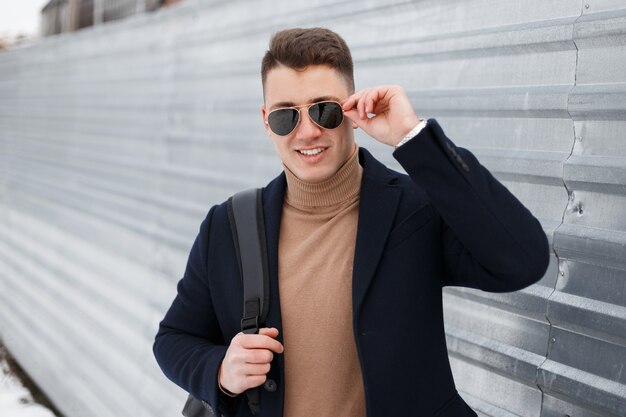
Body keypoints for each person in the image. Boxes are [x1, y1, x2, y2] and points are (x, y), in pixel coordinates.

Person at [153, 27, 550, 417]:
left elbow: (523, 258)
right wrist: (221, 370)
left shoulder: (414, 210)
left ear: (354, 111)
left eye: (323, 110)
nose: (307, 132)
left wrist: (412, 138)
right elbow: (173, 339)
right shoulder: (229, 226)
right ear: (265, 120)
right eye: (285, 117)